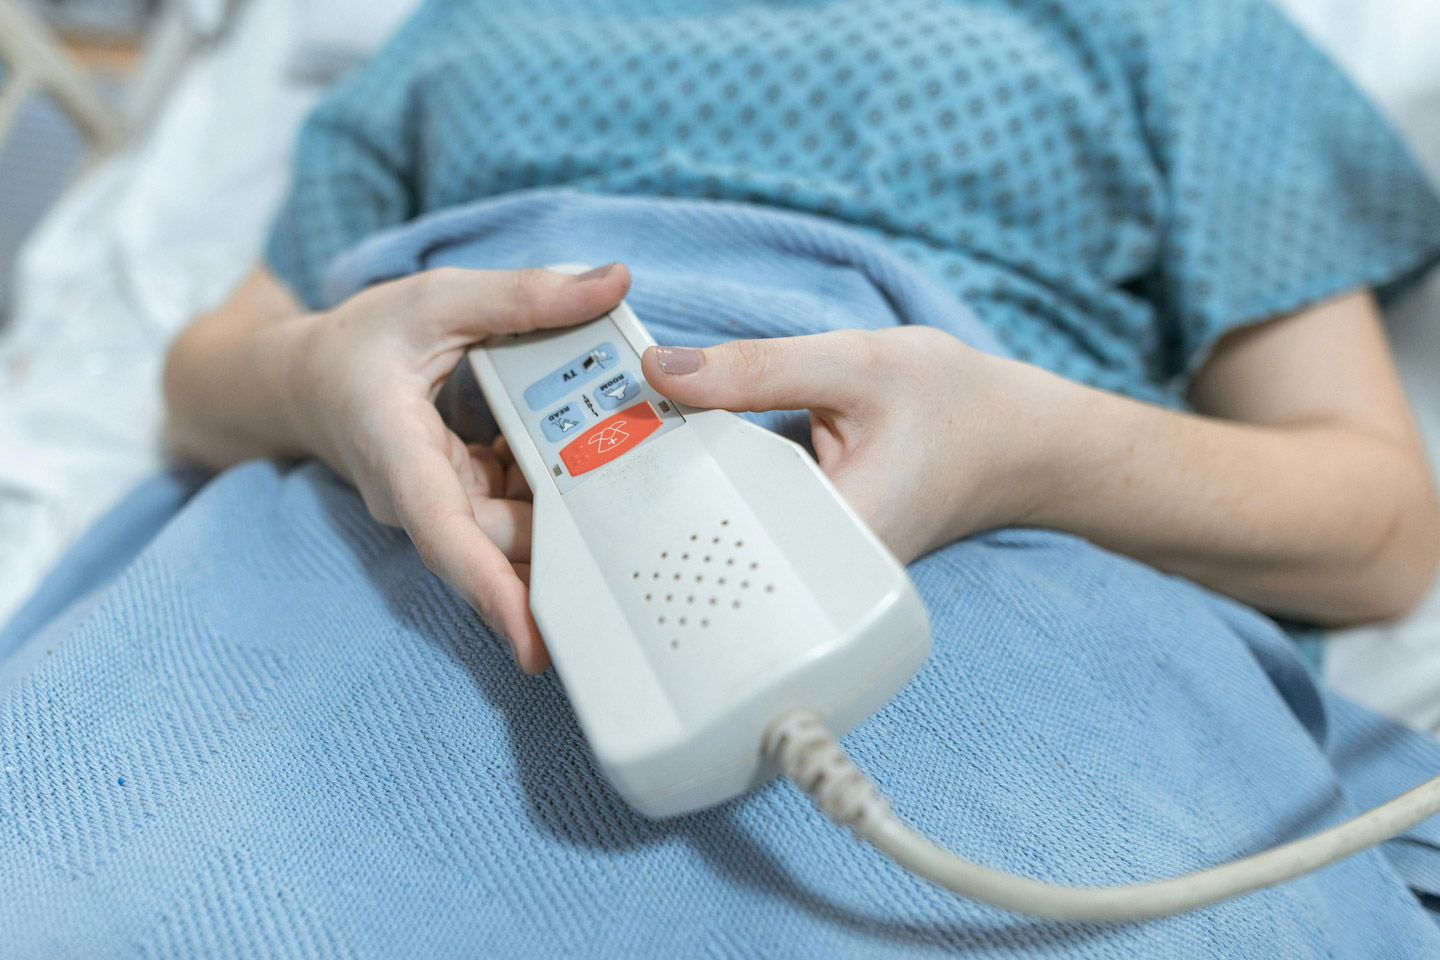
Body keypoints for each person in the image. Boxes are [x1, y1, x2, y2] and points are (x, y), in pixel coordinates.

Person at [6, 0, 1440, 955]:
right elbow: (212, 367)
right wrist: (314, 384)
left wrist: (1025, 447)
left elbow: (1376, 525)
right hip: (399, 517)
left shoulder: (1177, 27)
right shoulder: (473, 17)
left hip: (974, 539)